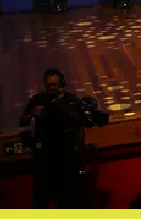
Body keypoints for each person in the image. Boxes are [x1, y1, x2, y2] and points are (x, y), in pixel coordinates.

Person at [19, 68, 81, 208]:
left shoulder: (70, 100)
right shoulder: (37, 99)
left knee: (66, 196)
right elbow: (22, 122)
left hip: (66, 153)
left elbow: (79, 122)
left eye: (54, 85)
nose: (51, 88)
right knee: (42, 196)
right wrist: (32, 114)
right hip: (44, 154)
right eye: (48, 85)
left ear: (61, 84)